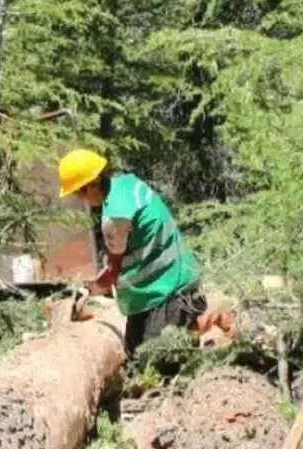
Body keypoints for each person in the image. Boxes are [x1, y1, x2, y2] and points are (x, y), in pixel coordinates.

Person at [57, 148, 205, 354]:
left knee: (154, 363)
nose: (81, 199)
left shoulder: (115, 216)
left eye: (78, 193)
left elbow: (112, 273)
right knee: (138, 357)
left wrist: (90, 289)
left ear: (90, 185)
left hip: (166, 293)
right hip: (178, 278)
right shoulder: (127, 183)